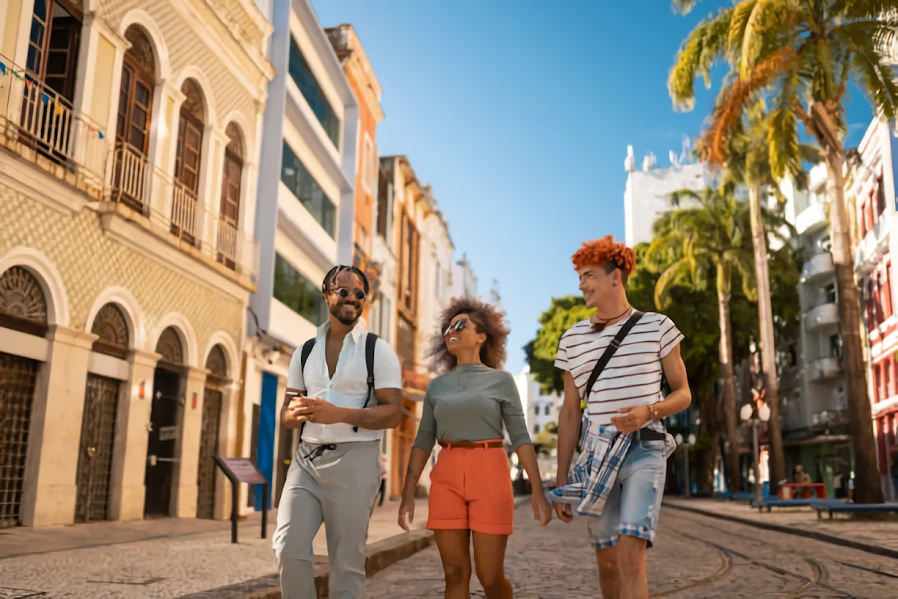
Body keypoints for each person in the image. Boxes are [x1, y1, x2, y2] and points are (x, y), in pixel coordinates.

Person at [550, 236, 691, 599]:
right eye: (579, 277)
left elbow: (683, 393)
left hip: (645, 451)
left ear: (616, 277)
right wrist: (562, 479)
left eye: (589, 275)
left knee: (631, 556)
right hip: (596, 456)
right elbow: (570, 413)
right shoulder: (572, 339)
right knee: (607, 562)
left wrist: (650, 411)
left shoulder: (657, 326)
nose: (581, 284)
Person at [398, 297, 552, 599]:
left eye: (460, 325)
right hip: (447, 474)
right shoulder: (436, 387)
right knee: (454, 573)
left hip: (490, 471)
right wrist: (407, 493)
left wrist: (538, 491)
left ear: (482, 336)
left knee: (490, 575)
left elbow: (521, 438)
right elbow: (422, 441)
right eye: (448, 327)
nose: (451, 331)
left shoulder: (501, 381)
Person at [273, 265, 403, 599]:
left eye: (359, 293)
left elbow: (394, 413)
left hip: (355, 461)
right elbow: (287, 415)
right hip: (307, 460)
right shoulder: (304, 351)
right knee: (288, 547)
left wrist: (339, 414)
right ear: (326, 293)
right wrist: (293, 413)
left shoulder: (378, 350)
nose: (352, 298)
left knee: (346, 563)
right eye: (343, 290)